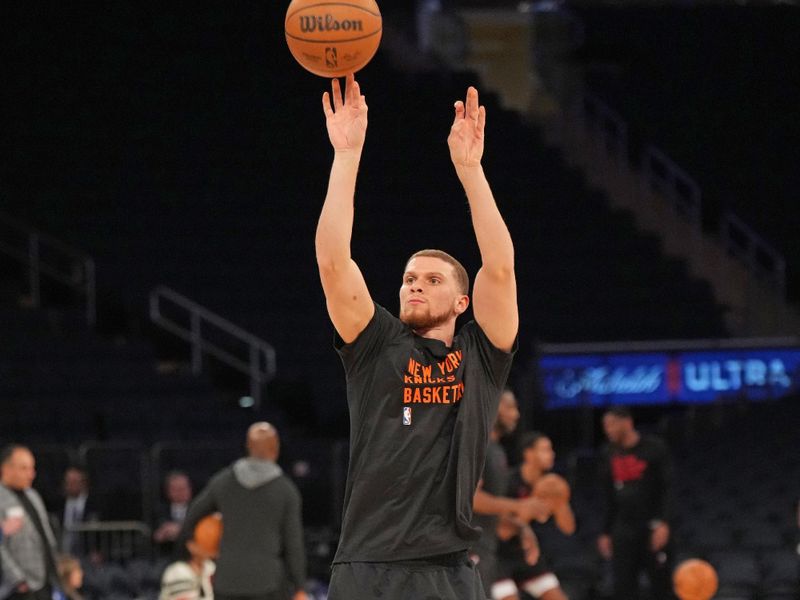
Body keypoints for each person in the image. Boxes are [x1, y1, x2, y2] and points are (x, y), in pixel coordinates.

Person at [317, 74, 518, 600]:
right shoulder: (376, 345)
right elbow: (334, 262)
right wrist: (346, 155)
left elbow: (498, 269)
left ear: (461, 302)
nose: (415, 286)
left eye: (432, 280)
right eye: (409, 278)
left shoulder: (481, 355)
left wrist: (471, 171)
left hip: (447, 570)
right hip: (366, 563)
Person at [180, 423, 307, 600]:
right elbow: (293, 543)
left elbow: (191, 516)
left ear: (248, 446)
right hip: (268, 583)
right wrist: (300, 586)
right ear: (276, 448)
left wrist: (198, 547)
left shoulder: (223, 481)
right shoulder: (286, 490)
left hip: (226, 581)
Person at [472, 390, 550, 600]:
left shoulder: (496, 450)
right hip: (468, 549)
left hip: (487, 549)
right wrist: (519, 507)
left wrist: (520, 526)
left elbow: (491, 509)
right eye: (510, 407)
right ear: (492, 405)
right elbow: (470, 500)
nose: (516, 414)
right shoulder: (476, 443)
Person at [598, 407, 675, 600]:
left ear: (627, 422)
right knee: (623, 589)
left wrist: (663, 522)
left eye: (612, 424)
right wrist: (606, 532)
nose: (608, 430)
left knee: (661, 587)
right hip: (623, 531)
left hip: (651, 527)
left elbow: (667, 489)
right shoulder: (608, 453)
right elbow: (608, 497)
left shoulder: (655, 448)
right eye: (605, 426)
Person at [497, 431, 574, 600]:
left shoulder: (552, 484)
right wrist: (528, 511)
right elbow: (502, 532)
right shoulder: (508, 480)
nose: (552, 454)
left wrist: (561, 502)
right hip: (498, 555)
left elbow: (568, 528)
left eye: (551, 450)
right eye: (545, 450)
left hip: (528, 556)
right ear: (529, 454)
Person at [0, 445, 61, 600]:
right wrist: (17, 579)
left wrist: (55, 562)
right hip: (18, 586)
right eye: (24, 468)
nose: (31, 474)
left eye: (32, 468)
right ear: (6, 469)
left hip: (45, 578)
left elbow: (45, 531)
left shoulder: (33, 494)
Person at [159, 527, 216, 600]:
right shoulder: (177, 571)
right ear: (191, 545)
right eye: (204, 542)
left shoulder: (210, 567)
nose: (208, 545)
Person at [54, 467, 100, 555]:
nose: (70, 485)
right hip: (63, 553)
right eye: (68, 482)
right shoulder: (59, 504)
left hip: (87, 553)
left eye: (74, 482)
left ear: (83, 483)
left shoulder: (94, 504)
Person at [154, 472, 193, 555]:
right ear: (168, 491)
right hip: (166, 554)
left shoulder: (198, 507)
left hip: (192, 553)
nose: (180, 493)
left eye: (183, 488)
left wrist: (180, 529)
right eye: (176, 489)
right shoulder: (160, 510)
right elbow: (155, 535)